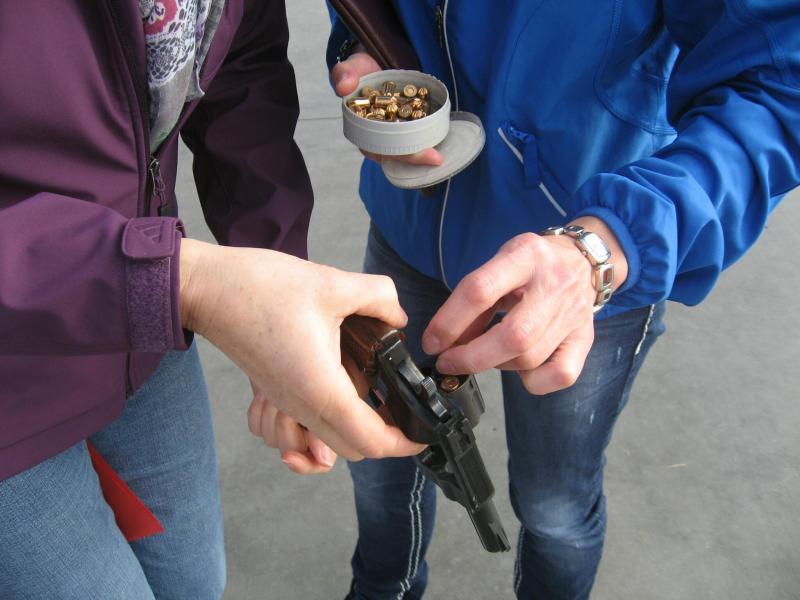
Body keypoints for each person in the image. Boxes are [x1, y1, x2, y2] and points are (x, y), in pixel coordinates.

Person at [249, 2, 799, 598]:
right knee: (378, 463)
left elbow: (778, 84)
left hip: (590, 271)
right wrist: (369, 45)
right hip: (409, 230)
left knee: (553, 506)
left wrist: (609, 244)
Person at [0, 2, 422, 599]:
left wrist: (277, 283)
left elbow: (241, 70)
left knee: (195, 582)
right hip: (21, 396)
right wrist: (184, 284)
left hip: (144, 333)